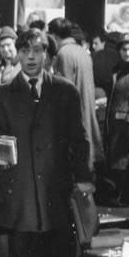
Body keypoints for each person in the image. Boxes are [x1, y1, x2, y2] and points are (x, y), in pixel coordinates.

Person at [0, 28, 94, 257]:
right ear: (18, 53)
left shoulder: (65, 90)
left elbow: (79, 139)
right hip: (18, 181)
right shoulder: (3, 93)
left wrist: (84, 177)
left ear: (47, 55)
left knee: (60, 245)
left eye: (38, 50)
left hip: (55, 182)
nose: (31, 57)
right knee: (22, 244)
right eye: (26, 50)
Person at [48, 17, 103, 173]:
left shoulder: (63, 53)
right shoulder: (81, 51)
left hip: (74, 118)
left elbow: (65, 89)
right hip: (86, 112)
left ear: (55, 35)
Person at [103, 33, 129, 205]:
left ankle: (123, 195)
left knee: (124, 161)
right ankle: (118, 193)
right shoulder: (118, 69)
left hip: (126, 124)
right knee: (114, 158)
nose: (127, 53)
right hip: (113, 122)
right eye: (124, 49)